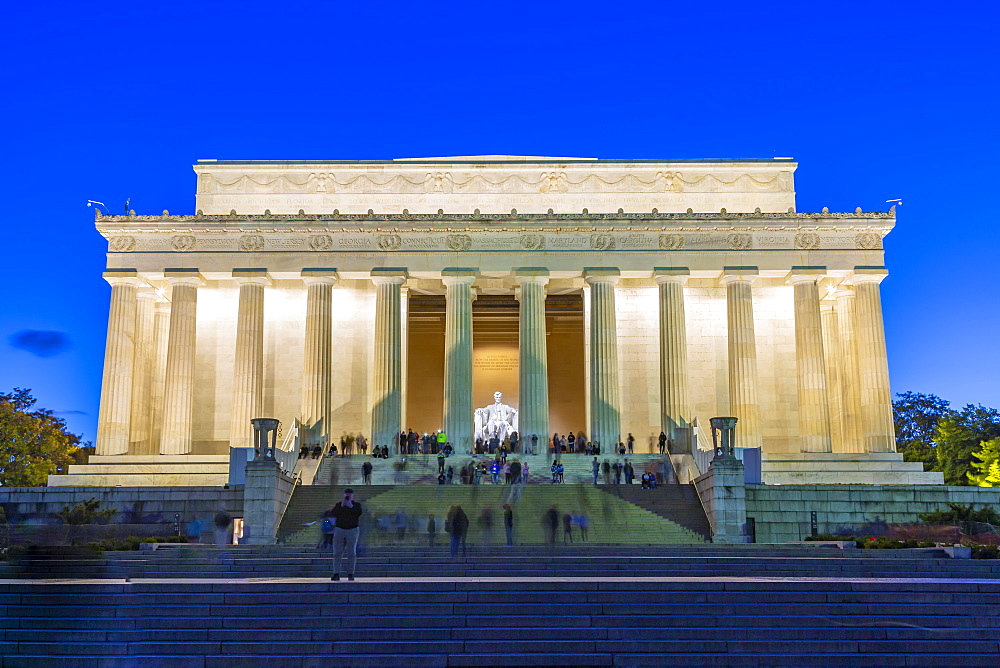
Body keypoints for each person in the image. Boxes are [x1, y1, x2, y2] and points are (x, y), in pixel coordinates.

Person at [330, 489, 363, 581]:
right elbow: (333, 513)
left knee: (351, 553)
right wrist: (341, 506)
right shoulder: (339, 505)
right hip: (340, 529)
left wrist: (351, 506)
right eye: (346, 494)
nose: (348, 496)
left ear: (353, 496)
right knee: (337, 552)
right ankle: (336, 573)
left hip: (352, 529)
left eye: (350, 494)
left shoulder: (356, 505)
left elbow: (358, 513)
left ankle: (350, 573)